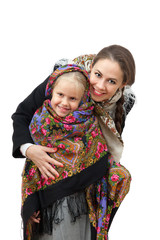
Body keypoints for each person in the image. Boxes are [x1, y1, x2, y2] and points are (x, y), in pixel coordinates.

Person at [12, 45, 136, 239]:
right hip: (51, 185)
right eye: (97, 74)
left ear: (123, 84)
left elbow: (99, 146)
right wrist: (29, 149)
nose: (101, 86)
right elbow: (22, 114)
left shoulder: (121, 103)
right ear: (91, 66)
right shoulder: (65, 80)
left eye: (111, 81)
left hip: (87, 191)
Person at [22, 64, 110, 240]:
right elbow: (31, 167)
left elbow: (98, 163)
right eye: (60, 95)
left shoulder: (88, 125)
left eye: (72, 98)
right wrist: (30, 203)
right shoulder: (40, 121)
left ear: (82, 100)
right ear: (52, 92)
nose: (64, 102)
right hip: (44, 203)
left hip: (74, 203)